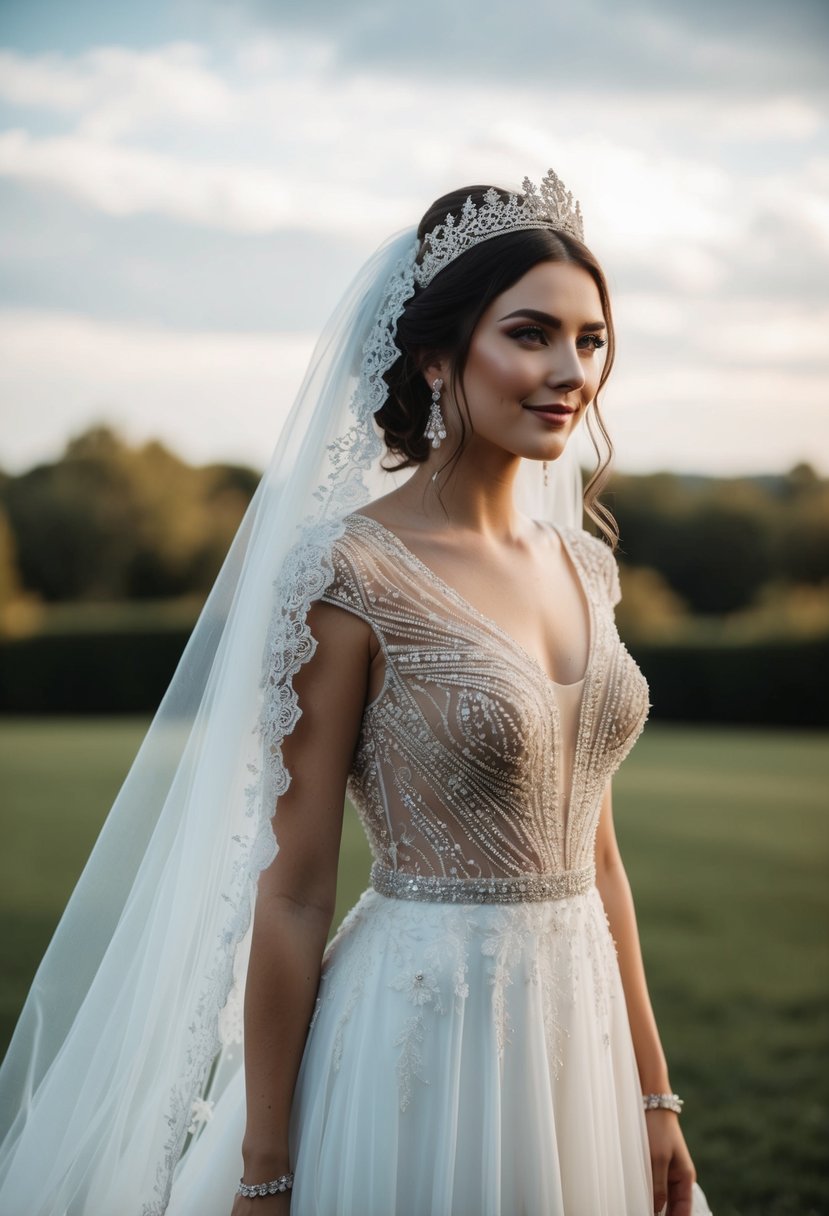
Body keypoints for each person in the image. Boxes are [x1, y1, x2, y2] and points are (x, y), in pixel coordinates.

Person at [0, 172, 712, 1216]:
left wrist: (653, 1093)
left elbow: (600, 859)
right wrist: (266, 1165)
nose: (570, 371)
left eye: (590, 340)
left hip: (585, 1026)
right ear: (434, 356)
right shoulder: (351, 573)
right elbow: (290, 892)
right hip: (417, 1034)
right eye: (531, 334)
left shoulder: (582, 566)